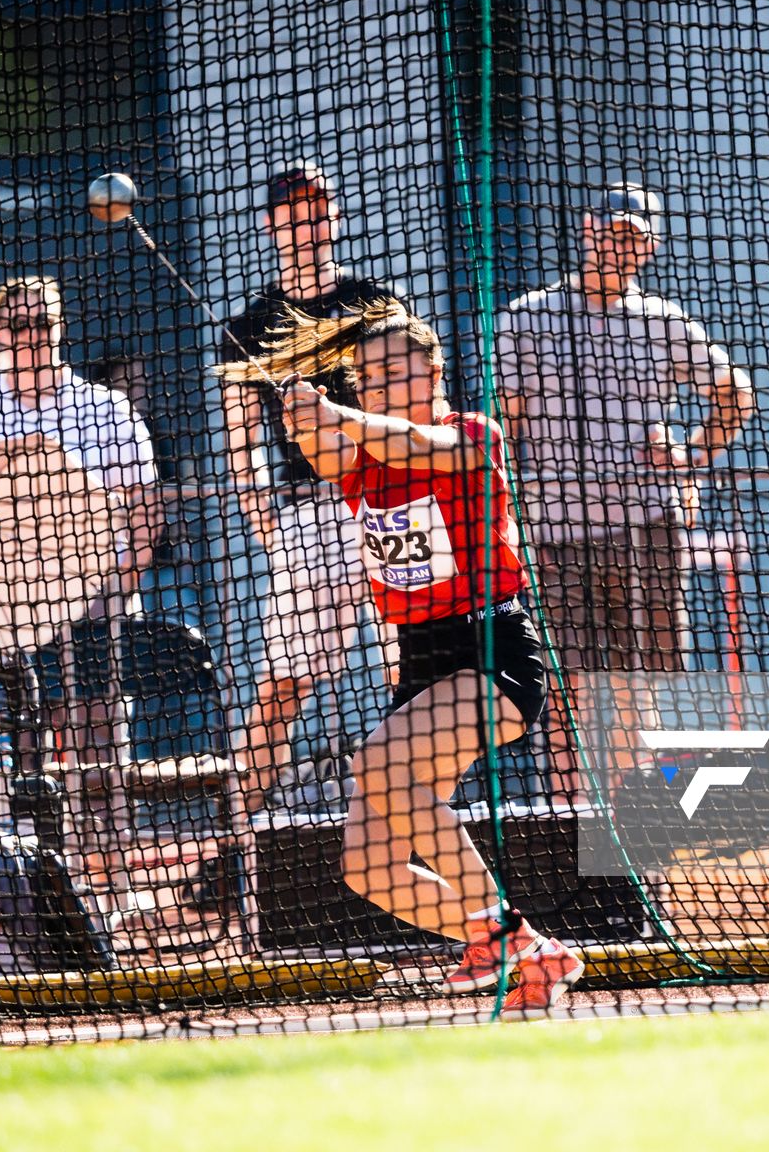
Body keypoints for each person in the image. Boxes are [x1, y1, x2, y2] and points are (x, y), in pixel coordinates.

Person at [231, 296, 583, 1018]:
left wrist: (343, 415)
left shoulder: (473, 436)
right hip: (422, 660)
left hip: (492, 651)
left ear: (433, 369)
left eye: (395, 370)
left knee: (379, 764)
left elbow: (409, 446)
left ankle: (503, 938)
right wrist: (304, 418)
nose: (382, 384)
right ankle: (526, 946)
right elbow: (333, 453)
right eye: (369, 377)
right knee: (370, 868)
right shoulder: (361, 453)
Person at [496, 183, 756, 797]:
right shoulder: (526, 316)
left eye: (635, 238)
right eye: (613, 232)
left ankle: (635, 824)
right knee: (564, 684)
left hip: (645, 528)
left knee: (638, 685)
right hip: (556, 535)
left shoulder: (664, 322)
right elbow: (504, 426)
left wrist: (692, 455)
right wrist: (511, 523)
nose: (621, 247)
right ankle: (568, 821)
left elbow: (736, 392)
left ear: (651, 247)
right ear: (587, 230)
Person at [218, 165, 400, 810]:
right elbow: (241, 443)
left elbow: (413, 401)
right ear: (271, 225)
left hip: (388, 504)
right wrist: (265, 524)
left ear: (335, 217)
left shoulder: (375, 303)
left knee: (412, 666)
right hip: (309, 516)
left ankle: (427, 812)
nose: (308, 222)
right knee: (283, 685)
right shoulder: (250, 327)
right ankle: (238, 836)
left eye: (319, 209)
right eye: (294, 212)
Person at [0, 276, 164, 761]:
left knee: (98, 740)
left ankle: (106, 834)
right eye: (18, 324)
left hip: (95, 603)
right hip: (5, 611)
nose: (31, 334)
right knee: (21, 743)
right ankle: (29, 835)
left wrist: (118, 586)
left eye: (43, 322)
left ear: (61, 327)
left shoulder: (107, 410)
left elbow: (145, 508)